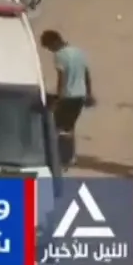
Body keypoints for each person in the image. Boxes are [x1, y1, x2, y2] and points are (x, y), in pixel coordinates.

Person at [41, 29, 93, 168]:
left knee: (57, 128)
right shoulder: (78, 52)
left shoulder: (59, 55)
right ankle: (71, 157)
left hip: (68, 95)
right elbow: (86, 73)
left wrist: (58, 97)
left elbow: (62, 77)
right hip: (80, 95)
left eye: (49, 47)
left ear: (54, 42)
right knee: (70, 126)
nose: (50, 50)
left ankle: (62, 158)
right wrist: (89, 93)